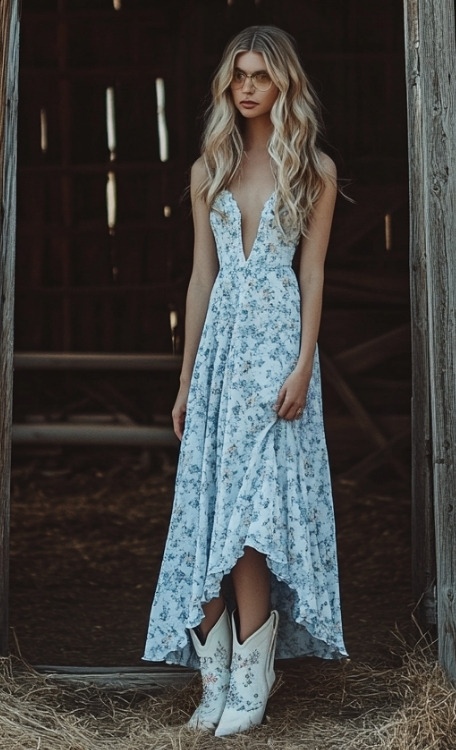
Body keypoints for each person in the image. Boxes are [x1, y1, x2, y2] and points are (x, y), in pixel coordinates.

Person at [143, 25, 347, 736]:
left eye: (261, 75)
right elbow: (202, 278)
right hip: (221, 362)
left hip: (278, 357)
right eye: (239, 77)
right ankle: (217, 680)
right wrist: (184, 380)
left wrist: (302, 365)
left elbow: (313, 273)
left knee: (255, 522)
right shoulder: (210, 169)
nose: (249, 86)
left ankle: (254, 684)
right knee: (208, 518)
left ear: (283, 82)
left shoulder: (312, 169)